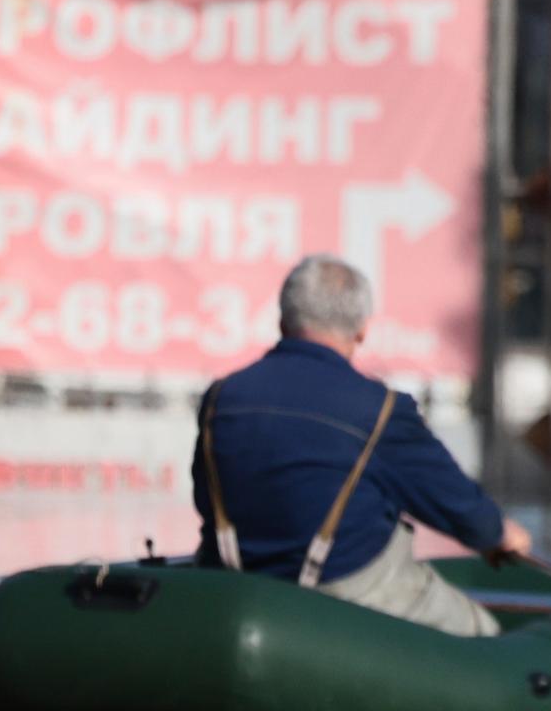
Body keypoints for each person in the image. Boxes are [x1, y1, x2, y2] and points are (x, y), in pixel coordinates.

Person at [191, 254, 530, 636]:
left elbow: (204, 498)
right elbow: (455, 504)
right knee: (484, 631)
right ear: (362, 331)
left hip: (238, 590)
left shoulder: (221, 398)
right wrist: (499, 534)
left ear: (283, 320)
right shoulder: (383, 411)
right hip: (349, 594)